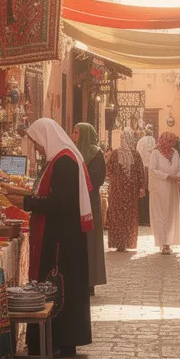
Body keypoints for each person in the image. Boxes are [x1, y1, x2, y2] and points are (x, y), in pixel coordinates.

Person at [23, 118, 94, 356]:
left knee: (58, 288)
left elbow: (62, 202)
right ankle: (59, 340)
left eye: (38, 143)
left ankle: (58, 341)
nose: (38, 148)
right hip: (62, 235)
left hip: (62, 239)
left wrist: (29, 203)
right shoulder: (61, 158)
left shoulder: (64, 162)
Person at [71, 123, 107, 290]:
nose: (73, 135)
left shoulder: (96, 154)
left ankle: (90, 281)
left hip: (90, 202)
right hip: (76, 201)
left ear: (84, 135)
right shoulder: (73, 152)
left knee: (90, 240)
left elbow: (98, 179)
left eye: (76, 132)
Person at [106, 126, 145, 252]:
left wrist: (114, 179)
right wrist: (141, 187)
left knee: (118, 214)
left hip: (117, 189)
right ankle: (127, 241)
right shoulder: (135, 154)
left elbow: (108, 169)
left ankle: (119, 243)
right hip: (130, 190)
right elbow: (140, 173)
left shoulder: (115, 153)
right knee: (128, 215)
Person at [147, 130, 180, 255]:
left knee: (171, 215)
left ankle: (168, 242)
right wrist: (167, 176)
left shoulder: (175, 153)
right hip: (159, 188)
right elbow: (152, 170)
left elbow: (179, 168)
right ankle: (163, 244)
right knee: (160, 215)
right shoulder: (155, 153)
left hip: (172, 189)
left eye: (172, 142)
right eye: (169, 141)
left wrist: (178, 177)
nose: (171, 144)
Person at [135, 125, 157, 225]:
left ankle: (141, 218)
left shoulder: (141, 140)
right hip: (151, 170)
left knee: (141, 192)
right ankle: (149, 218)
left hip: (142, 168)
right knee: (150, 193)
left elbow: (138, 153)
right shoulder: (153, 140)